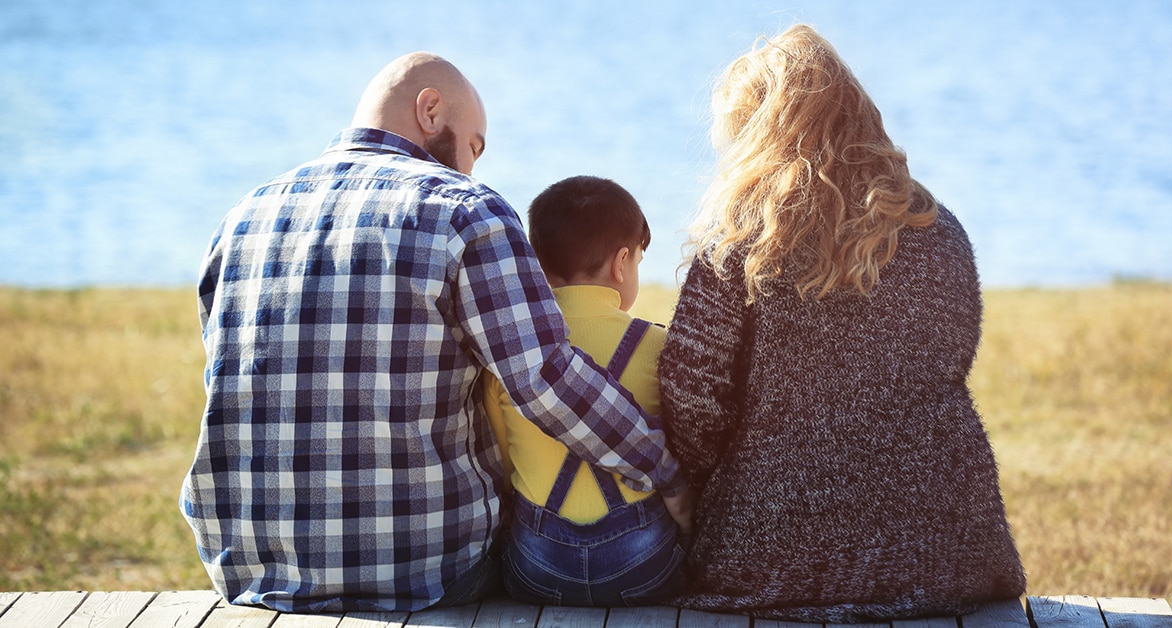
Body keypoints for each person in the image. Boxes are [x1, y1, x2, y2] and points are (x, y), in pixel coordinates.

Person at [180, 52, 685, 614]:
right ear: (429, 109)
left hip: (258, 570)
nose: (470, 165)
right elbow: (546, 380)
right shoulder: (465, 211)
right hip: (426, 570)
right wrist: (664, 472)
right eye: (474, 144)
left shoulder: (243, 216)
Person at [657, 25, 1026, 622]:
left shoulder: (741, 239)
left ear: (759, 132)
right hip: (949, 548)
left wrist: (701, 487)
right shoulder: (940, 228)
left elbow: (690, 395)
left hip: (772, 552)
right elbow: (950, 366)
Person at [482, 176, 690, 607]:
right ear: (621, 263)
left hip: (537, 566)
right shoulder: (661, 347)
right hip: (642, 563)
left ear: (537, 264)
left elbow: (502, 463)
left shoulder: (512, 356)